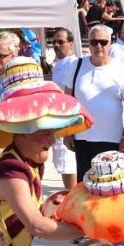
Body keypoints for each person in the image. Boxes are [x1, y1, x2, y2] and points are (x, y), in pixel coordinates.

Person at [0, 57, 87, 246]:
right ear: (20, 131)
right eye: (44, 133)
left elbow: (25, 216)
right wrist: (89, 228)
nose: (52, 140)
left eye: (53, 132)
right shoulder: (12, 172)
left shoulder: (28, 162)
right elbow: (37, 226)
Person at [65, 25, 124, 180]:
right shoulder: (76, 66)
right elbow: (68, 101)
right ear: (88, 43)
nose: (98, 46)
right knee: (84, 185)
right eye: (94, 42)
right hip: (82, 138)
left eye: (103, 42)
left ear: (110, 43)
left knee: (110, 185)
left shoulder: (122, 69)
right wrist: (67, 132)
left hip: (112, 139)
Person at [49, 29, 79, 191]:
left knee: (68, 164)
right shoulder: (58, 65)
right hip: (57, 121)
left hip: (66, 121)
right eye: (54, 41)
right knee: (63, 163)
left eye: (60, 42)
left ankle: (71, 196)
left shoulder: (72, 64)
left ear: (71, 44)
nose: (56, 45)